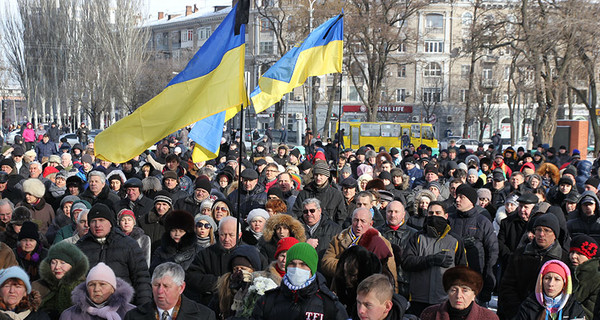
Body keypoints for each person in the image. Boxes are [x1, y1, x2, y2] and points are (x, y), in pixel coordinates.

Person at [76, 203, 152, 305]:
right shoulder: (80, 247)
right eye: (93, 221)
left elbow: (141, 279)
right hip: (90, 307)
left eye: (102, 220)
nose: (97, 225)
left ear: (110, 223)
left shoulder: (128, 245)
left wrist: (144, 308)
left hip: (123, 307)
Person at [498, 213, 569, 319]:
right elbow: (507, 285)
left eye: (547, 230)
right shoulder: (520, 254)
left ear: (555, 234)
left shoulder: (563, 259)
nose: (541, 234)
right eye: (538, 229)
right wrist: (518, 310)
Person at [252, 242, 349, 320]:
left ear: (312, 268)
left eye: (303, 264)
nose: (297, 268)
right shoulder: (268, 301)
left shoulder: (330, 305)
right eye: (292, 264)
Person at [322, 208, 397, 285]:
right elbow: (326, 262)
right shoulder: (338, 239)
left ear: (370, 223)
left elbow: (391, 271)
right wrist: (349, 267)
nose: (358, 225)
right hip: (341, 289)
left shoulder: (381, 243)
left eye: (363, 221)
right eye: (356, 220)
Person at [124, 262, 216, 320]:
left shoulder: (204, 316)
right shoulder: (133, 316)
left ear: (181, 288)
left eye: (166, 286)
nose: (160, 291)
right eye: (156, 285)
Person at [185, 216, 241, 305]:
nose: (226, 239)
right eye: (223, 234)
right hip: (211, 304)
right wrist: (217, 282)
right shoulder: (205, 254)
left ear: (239, 235)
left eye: (231, 235)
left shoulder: (248, 254)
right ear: (218, 233)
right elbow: (192, 276)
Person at [31, 241, 89, 319]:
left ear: (73, 265)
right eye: (53, 262)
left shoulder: (83, 288)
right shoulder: (37, 286)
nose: (57, 267)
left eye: (63, 263)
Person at [59, 262, 135, 320]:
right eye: (92, 284)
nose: (96, 289)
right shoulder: (69, 315)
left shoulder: (131, 313)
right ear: (86, 288)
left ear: (113, 288)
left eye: (102, 284)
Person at [420, 266, 499, 320]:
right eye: (453, 290)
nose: (458, 296)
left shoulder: (489, 317)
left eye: (465, 291)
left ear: (474, 295)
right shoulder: (430, 314)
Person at [514, 260, 585, 320]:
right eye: (547, 278)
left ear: (564, 284)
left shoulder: (574, 307)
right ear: (541, 281)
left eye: (557, 279)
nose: (551, 284)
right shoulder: (528, 306)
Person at [292, 160, 347, 226]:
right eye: (316, 175)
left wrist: (335, 231)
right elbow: (297, 213)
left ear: (327, 176)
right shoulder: (304, 193)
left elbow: (341, 217)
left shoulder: (336, 194)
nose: (318, 178)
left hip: (329, 231)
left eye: (321, 175)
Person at [569, 235, 600, 319]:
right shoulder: (569, 270)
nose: (573, 256)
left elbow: (589, 310)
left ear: (589, 257)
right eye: (572, 252)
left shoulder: (595, 276)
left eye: (579, 253)